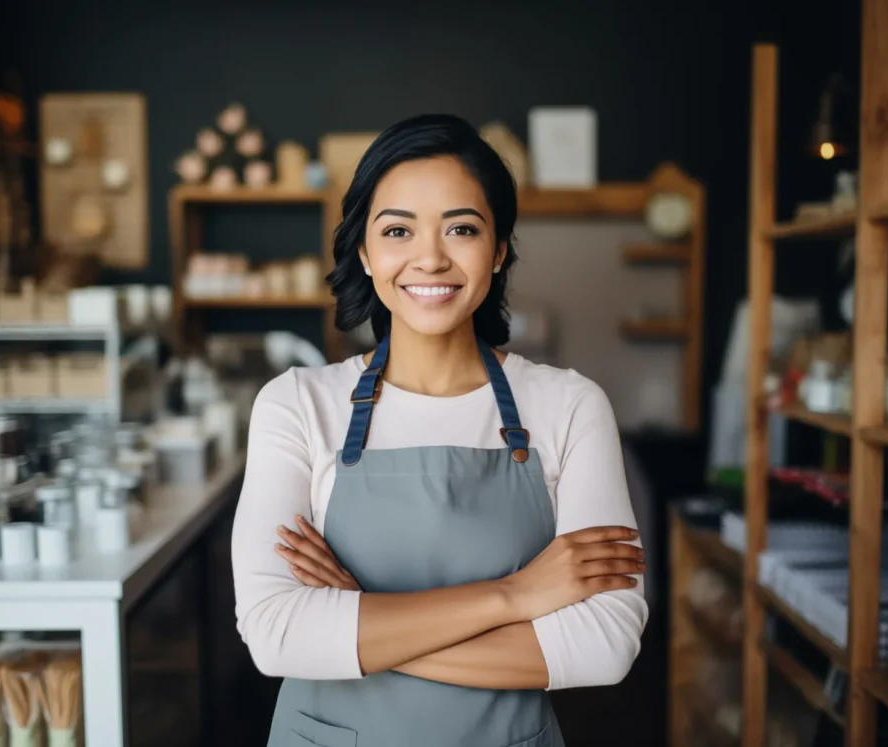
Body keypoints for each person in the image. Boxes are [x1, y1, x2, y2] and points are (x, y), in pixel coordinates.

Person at [231, 113, 648, 747]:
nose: (430, 258)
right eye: (398, 230)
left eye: (462, 228)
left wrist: (357, 614)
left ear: (499, 249)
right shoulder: (296, 404)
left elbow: (604, 644)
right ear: (365, 252)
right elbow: (276, 634)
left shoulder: (570, 406)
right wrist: (514, 597)